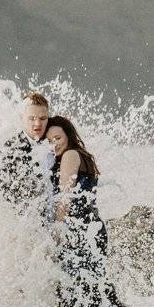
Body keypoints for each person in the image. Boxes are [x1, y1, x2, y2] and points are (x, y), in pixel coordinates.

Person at [45, 114, 108, 280]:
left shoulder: (70, 155)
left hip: (78, 233)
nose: (54, 144)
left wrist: (56, 233)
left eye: (58, 138)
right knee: (95, 288)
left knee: (74, 287)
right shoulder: (82, 156)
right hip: (92, 228)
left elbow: (65, 198)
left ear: (68, 135)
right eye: (49, 141)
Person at [0, 90, 55, 222]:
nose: (38, 124)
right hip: (30, 223)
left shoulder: (55, 139)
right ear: (21, 118)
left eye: (43, 118)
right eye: (32, 118)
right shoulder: (12, 150)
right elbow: (8, 196)